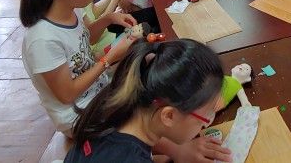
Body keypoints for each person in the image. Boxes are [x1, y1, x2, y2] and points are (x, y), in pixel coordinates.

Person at [20, 0, 137, 136]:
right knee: (143, 119)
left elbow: (84, 40)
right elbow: (67, 94)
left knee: (146, 76)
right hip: (78, 115)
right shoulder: (43, 40)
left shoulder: (71, 8)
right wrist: (108, 59)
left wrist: (108, 19)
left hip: (98, 89)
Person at [65, 40, 232, 162]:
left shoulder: (121, 102)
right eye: (205, 118)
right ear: (169, 116)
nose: (205, 125)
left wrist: (177, 150)